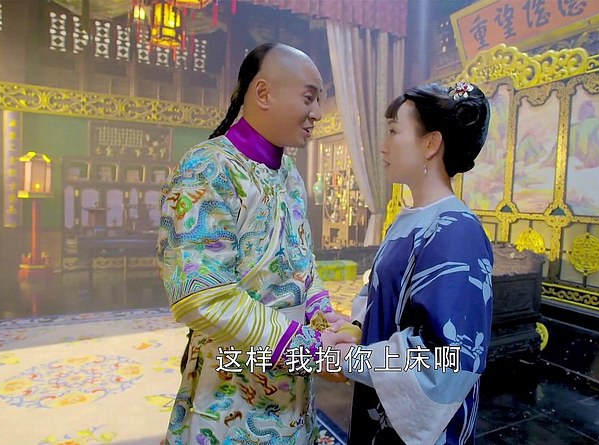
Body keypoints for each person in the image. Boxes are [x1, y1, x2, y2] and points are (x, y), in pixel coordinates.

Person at [157, 43, 354, 445]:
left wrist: (322, 315)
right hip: (231, 392)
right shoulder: (207, 168)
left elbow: (301, 264)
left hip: (293, 390)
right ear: (263, 93)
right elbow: (201, 296)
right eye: (309, 97)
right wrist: (309, 348)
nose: (318, 112)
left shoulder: (289, 174)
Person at [336, 82, 493, 445]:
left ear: (430, 144)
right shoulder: (412, 219)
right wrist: (355, 326)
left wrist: (351, 360)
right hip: (383, 404)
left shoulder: (456, 230)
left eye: (394, 131)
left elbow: (447, 359)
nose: (383, 145)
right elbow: (382, 295)